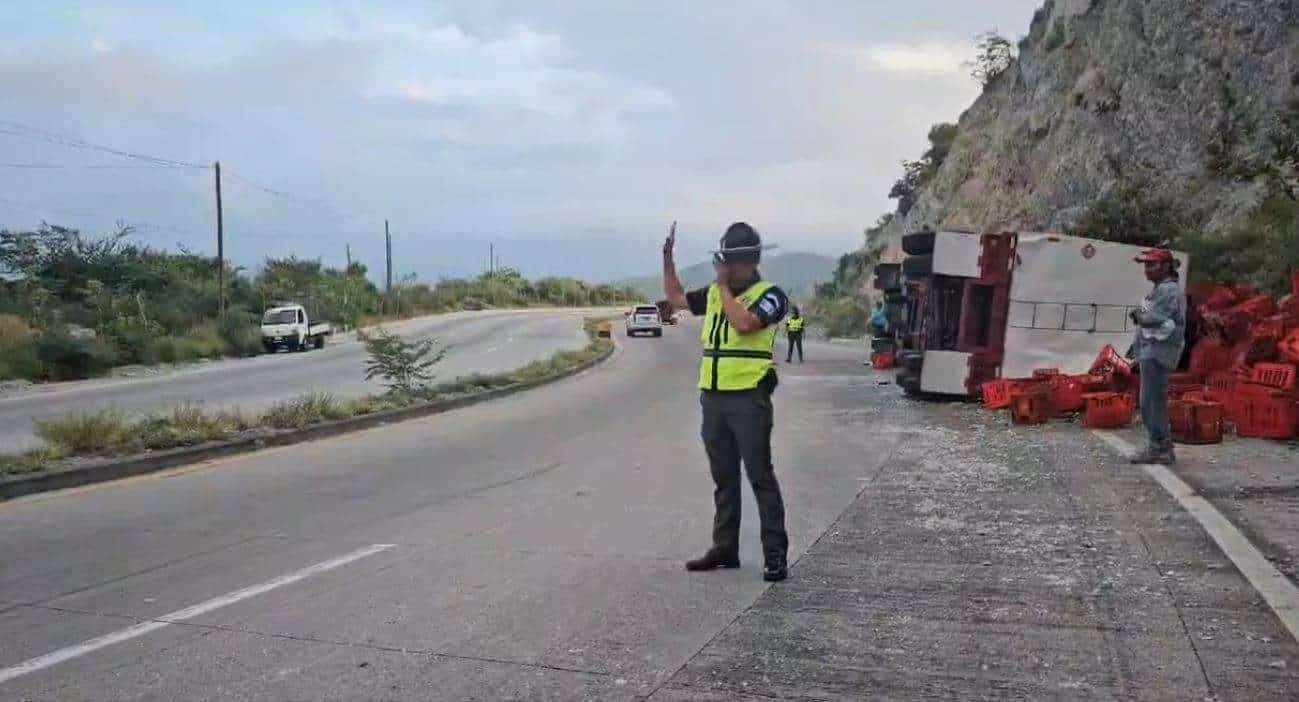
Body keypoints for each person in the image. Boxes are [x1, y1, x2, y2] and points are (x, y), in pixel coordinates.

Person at [662, 221, 791, 582]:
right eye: (724, 261)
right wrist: (668, 260)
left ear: (749, 261)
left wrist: (720, 286)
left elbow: (745, 324)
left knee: (760, 476)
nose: (725, 267)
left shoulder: (772, 295)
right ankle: (725, 548)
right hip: (714, 398)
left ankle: (775, 555)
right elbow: (676, 300)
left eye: (730, 261)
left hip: (749, 398)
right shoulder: (718, 293)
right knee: (724, 477)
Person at [1128, 247, 1186, 465]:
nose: (1147, 269)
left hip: (1158, 352)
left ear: (1166, 267)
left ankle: (1160, 448)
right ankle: (1160, 446)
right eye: (1146, 265)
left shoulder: (1168, 290)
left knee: (1152, 402)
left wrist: (1138, 315)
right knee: (1149, 401)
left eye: (1152, 265)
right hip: (1151, 350)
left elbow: (1153, 317)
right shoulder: (1161, 289)